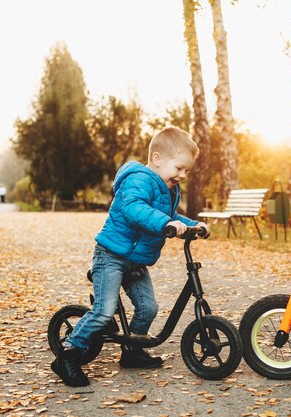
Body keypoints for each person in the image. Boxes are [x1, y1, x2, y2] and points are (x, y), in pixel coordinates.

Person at [51, 126, 210, 387]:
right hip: (111, 256)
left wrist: (193, 224)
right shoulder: (139, 179)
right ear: (157, 159)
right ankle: (68, 355)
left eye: (187, 171)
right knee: (103, 312)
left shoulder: (167, 189)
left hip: (136, 261)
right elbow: (134, 208)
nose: (183, 175)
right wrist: (164, 223)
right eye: (179, 168)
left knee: (149, 307)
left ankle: (132, 352)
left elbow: (171, 217)